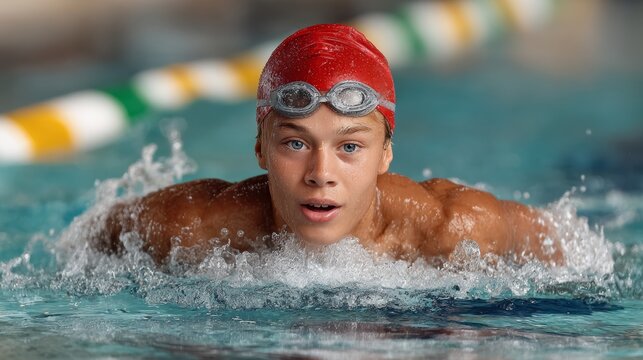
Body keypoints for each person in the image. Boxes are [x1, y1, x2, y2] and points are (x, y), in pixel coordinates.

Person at [94, 24, 561, 265]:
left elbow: (565, 249)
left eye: (350, 147)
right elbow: (96, 236)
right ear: (260, 149)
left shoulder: (453, 228)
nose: (320, 173)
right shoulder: (194, 228)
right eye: (296, 144)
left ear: (387, 154)